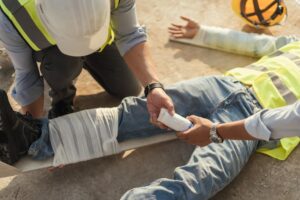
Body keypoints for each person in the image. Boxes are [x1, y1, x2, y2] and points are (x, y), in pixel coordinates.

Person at [1, 20, 300, 199]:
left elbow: (283, 121)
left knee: (203, 176)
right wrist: (203, 33)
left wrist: (217, 132)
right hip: (226, 85)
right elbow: (257, 43)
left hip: (252, 124)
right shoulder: (295, 44)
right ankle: (32, 138)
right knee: (137, 112)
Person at [0, 0, 174, 124]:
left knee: (129, 88)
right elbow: (26, 75)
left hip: (100, 43)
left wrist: (153, 86)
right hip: (57, 54)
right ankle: (62, 99)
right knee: (61, 64)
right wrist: (36, 129)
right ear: (43, 14)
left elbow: (129, 35)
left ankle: (88, 54)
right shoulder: (11, 12)